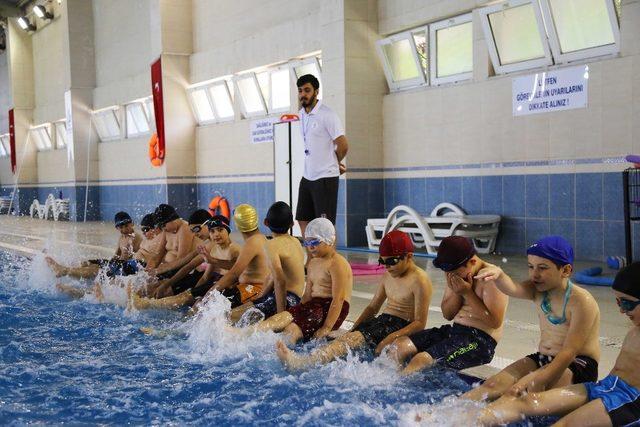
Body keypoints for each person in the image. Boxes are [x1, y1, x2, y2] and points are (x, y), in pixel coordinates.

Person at [478, 262, 640, 426]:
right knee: (527, 401)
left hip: (630, 401)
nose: (621, 310)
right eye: (619, 302)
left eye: (627, 303)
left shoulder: (582, 301)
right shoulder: (634, 330)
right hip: (607, 386)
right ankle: (463, 421)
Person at [462, 236, 601, 403]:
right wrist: (499, 275)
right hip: (544, 357)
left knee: (520, 395)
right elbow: (513, 288)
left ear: (565, 270)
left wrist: (538, 380)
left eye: (542, 268)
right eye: (531, 266)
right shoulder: (537, 290)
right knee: (491, 386)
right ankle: (446, 413)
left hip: (576, 364)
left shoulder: (581, 302)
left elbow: (569, 351)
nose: (535, 274)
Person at [275, 230, 432, 372]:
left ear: (409, 256)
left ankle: (303, 363)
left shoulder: (420, 280)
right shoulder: (388, 276)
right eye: (382, 262)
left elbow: (419, 323)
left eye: (392, 261)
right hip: (383, 322)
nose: (387, 267)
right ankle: (311, 363)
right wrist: (355, 328)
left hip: (399, 326)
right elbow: (372, 308)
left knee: (350, 341)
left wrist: (389, 339)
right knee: (346, 341)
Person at [390, 236, 508, 375]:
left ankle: (397, 389)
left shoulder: (491, 278)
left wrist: (468, 293)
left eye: (454, 272)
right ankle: (392, 382)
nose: (449, 276)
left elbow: (494, 322)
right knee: (398, 347)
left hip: (479, 342)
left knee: (421, 361)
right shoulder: (455, 274)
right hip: (455, 332)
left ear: (472, 262)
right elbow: (448, 314)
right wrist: (458, 291)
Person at [239, 217, 351, 343]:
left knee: (292, 328)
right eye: (307, 243)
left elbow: (339, 299)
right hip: (314, 304)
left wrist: (327, 327)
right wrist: (297, 310)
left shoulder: (337, 263)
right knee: (281, 318)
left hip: (331, 307)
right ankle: (243, 334)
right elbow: (308, 294)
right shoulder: (313, 263)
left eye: (314, 242)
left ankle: (286, 353)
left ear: (329, 240)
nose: (310, 247)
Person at [130, 215, 240, 310]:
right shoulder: (214, 248)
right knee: (188, 298)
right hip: (211, 281)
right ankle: (147, 303)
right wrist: (194, 292)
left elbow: (236, 271)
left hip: (225, 285)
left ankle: (148, 304)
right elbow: (204, 276)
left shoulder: (234, 249)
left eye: (220, 230)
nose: (216, 234)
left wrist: (192, 293)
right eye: (212, 231)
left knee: (186, 299)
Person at [230, 202, 305, 323]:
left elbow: (280, 280)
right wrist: (260, 298)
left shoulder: (271, 245)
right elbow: (273, 276)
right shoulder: (296, 242)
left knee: (230, 317)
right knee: (239, 314)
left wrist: (280, 317)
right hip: (294, 298)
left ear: (265, 222)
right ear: (292, 224)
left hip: (286, 299)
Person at [295, 73, 348, 236]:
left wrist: (334, 163)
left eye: (307, 90)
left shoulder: (327, 114)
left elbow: (343, 145)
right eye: (300, 91)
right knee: (303, 219)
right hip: (307, 176)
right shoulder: (301, 115)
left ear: (316, 92)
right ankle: (312, 258)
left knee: (325, 225)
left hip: (325, 177)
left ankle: (330, 260)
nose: (303, 94)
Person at [46, 211, 142, 279]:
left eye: (126, 226)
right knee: (88, 262)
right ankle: (69, 270)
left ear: (132, 224)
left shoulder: (134, 237)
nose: (124, 229)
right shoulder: (122, 237)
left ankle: (65, 271)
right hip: (117, 264)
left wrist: (107, 269)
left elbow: (127, 258)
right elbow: (116, 255)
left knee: (97, 269)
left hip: (126, 268)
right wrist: (105, 263)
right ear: (117, 228)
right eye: (121, 227)